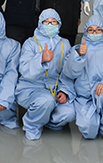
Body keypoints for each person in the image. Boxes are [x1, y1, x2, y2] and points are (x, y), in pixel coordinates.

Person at [15, 8, 76, 140]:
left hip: (55, 88)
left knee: (70, 112)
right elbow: (24, 70)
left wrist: (65, 91)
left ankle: (49, 122)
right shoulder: (30, 43)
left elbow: (67, 72)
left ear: (59, 24)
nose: (50, 25)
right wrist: (40, 59)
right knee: (46, 101)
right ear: (40, 24)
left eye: (53, 22)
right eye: (46, 22)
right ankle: (32, 125)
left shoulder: (64, 44)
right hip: (32, 87)